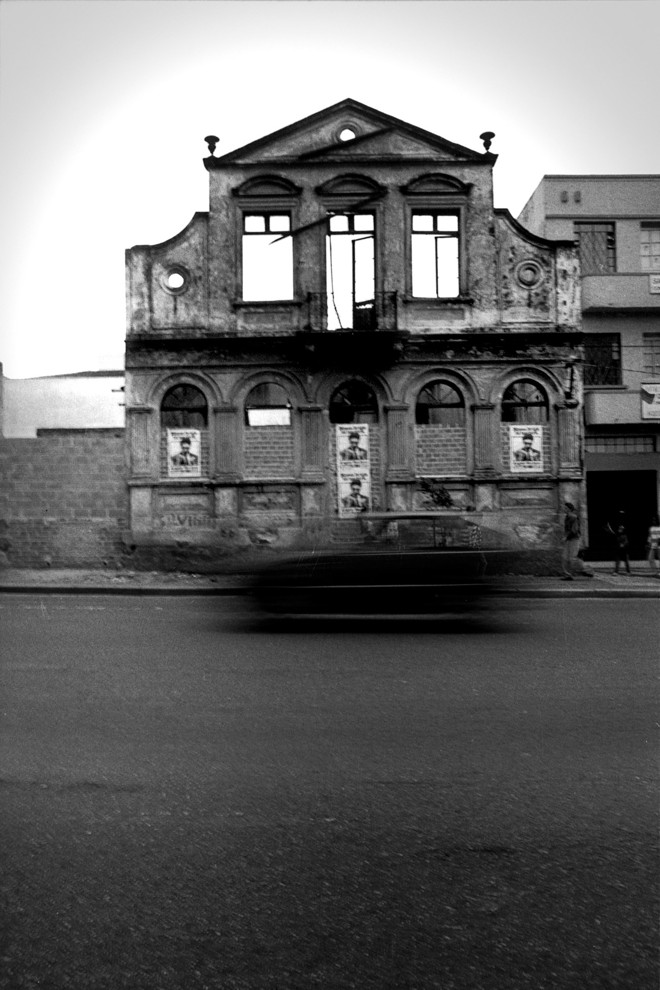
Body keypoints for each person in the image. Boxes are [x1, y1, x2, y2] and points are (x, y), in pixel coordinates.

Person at [561, 501, 593, 580]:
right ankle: (567, 575)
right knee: (565, 557)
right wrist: (565, 537)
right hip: (569, 539)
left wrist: (566, 537)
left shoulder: (573, 517)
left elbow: (574, 530)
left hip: (574, 539)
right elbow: (567, 529)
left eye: (565, 508)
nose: (563, 509)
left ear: (569, 509)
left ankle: (587, 570)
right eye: (564, 508)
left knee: (573, 558)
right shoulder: (567, 517)